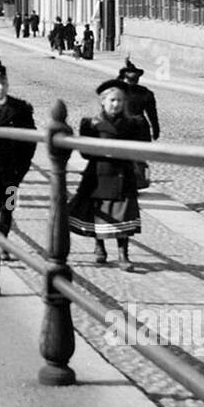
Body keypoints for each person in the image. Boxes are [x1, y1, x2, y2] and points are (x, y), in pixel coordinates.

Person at [67, 79, 150, 270]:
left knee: (123, 215)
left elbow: (140, 148)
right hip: (99, 175)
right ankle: (100, 247)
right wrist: (104, 151)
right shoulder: (91, 124)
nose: (116, 104)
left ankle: (123, 254)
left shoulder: (132, 124)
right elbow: (85, 153)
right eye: (112, 100)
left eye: (120, 100)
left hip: (123, 176)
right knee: (100, 213)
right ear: (103, 102)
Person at [0, 68, 36, 257]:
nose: (1, 88)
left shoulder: (20, 109)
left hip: (13, 172)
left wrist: (23, 168)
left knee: (8, 207)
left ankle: (3, 242)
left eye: (4, 83)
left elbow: (30, 141)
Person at [119, 58, 160, 141]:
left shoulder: (117, 91)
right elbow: (152, 114)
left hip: (127, 128)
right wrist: (156, 129)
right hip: (139, 129)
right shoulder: (146, 92)